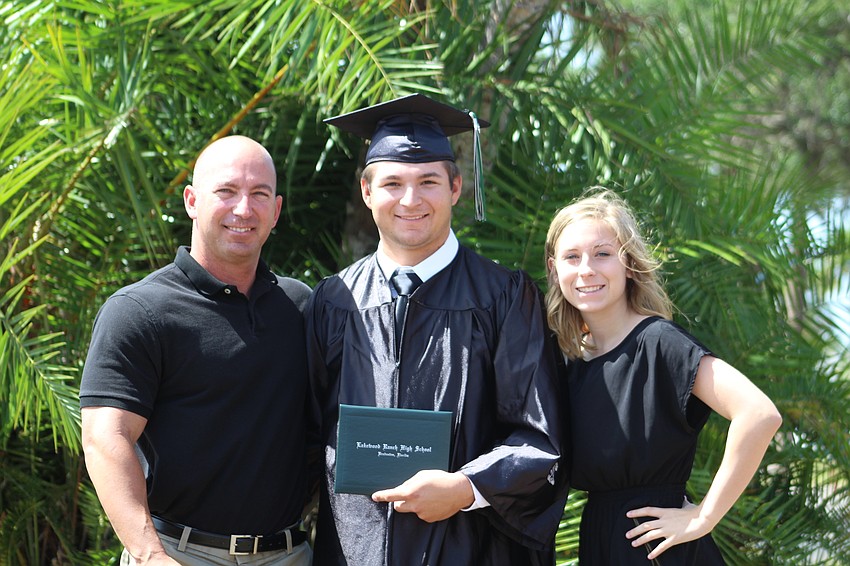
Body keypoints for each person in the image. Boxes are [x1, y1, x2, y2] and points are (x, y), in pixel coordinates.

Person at [306, 93, 567, 565]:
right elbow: (305, 434)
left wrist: (467, 488)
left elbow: (539, 436)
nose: (410, 199)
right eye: (393, 183)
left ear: (455, 188)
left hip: (468, 549)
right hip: (353, 549)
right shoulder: (334, 300)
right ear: (367, 192)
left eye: (428, 181)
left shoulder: (503, 297)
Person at [80, 135, 313, 565]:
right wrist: (151, 556)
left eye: (259, 194)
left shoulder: (303, 308)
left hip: (288, 556)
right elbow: (104, 438)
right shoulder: (137, 311)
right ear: (191, 200)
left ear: (276, 211)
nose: (243, 209)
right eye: (226, 191)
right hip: (176, 553)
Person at [544, 188, 782, 564]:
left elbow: (759, 413)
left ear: (629, 263)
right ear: (555, 270)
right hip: (600, 546)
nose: (586, 269)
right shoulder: (568, 360)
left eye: (602, 254)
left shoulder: (659, 342)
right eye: (572, 257)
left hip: (660, 550)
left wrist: (703, 517)